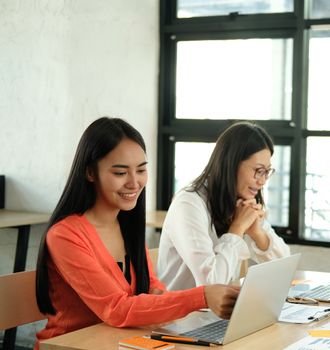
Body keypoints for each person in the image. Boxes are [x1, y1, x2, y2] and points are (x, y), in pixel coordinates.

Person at [34, 117, 239, 349]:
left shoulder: (125, 225)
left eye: (141, 170)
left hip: (121, 342)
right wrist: (202, 296)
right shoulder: (65, 236)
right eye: (121, 173)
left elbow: (152, 287)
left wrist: (157, 298)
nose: (135, 182)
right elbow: (117, 309)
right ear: (90, 173)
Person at [157, 122, 290, 291]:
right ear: (231, 164)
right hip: (185, 315)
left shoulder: (242, 201)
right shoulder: (188, 204)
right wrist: (237, 228)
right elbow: (211, 284)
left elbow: (284, 265)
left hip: (217, 315)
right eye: (258, 170)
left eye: (267, 172)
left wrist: (257, 233)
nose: (262, 181)